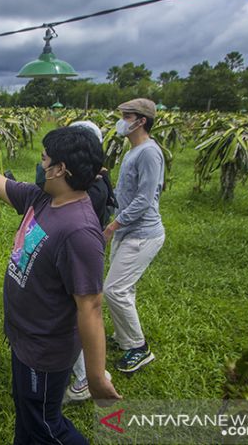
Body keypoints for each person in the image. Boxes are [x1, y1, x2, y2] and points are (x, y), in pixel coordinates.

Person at [0, 126, 121, 444]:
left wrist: (96, 377)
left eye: (44, 159)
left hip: (45, 350)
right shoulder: (43, 198)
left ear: (60, 169)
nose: (40, 165)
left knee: (45, 425)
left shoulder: (79, 231)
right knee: (29, 419)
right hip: (25, 339)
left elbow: (91, 306)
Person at [103, 98, 166, 373]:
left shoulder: (149, 153)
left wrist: (112, 226)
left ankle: (139, 349)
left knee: (113, 289)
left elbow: (144, 199)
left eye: (126, 116)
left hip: (142, 233)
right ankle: (123, 337)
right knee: (123, 288)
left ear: (141, 121)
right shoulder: (133, 150)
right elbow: (127, 190)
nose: (122, 121)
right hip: (128, 231)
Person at [62, 121, 118, 403]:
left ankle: (87, 377)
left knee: (78, 316)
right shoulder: (97, 181)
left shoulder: (93, 190)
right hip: (78, 258)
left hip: (79, 260)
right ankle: (91, 372)